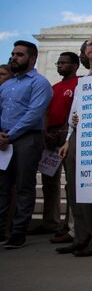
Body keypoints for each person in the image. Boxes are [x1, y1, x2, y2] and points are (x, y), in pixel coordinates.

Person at [57, 35, 92, 257]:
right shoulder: (83, 81)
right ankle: (81, 237)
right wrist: (68, 139)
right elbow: (75, 112)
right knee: (74, 190)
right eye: (90, 44)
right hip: (76, 137)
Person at [0, 40, 52, 248]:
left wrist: (9, 135)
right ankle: (1, 229)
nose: (14, 58)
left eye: (19, 55)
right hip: (4, 140)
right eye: (13, 54)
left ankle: (18, 232)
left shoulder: (40, 83)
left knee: (24, 186)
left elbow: (34, 114)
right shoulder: (7, 85)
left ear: (32, 59)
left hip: (27, 139)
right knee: (2, 187)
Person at [34, 52, 79, 237]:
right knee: (49, 183)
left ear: (75, 65)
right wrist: (46, 132)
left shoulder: (79, 84)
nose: (59, 66)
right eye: (58, 63)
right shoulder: (54, 87)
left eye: (64, 63)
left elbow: (73, 110)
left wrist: (63, 132)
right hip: (50, 140)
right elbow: (46, 111)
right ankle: (50, 221)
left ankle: (70, 225)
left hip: (66, 138)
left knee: (71, 184)